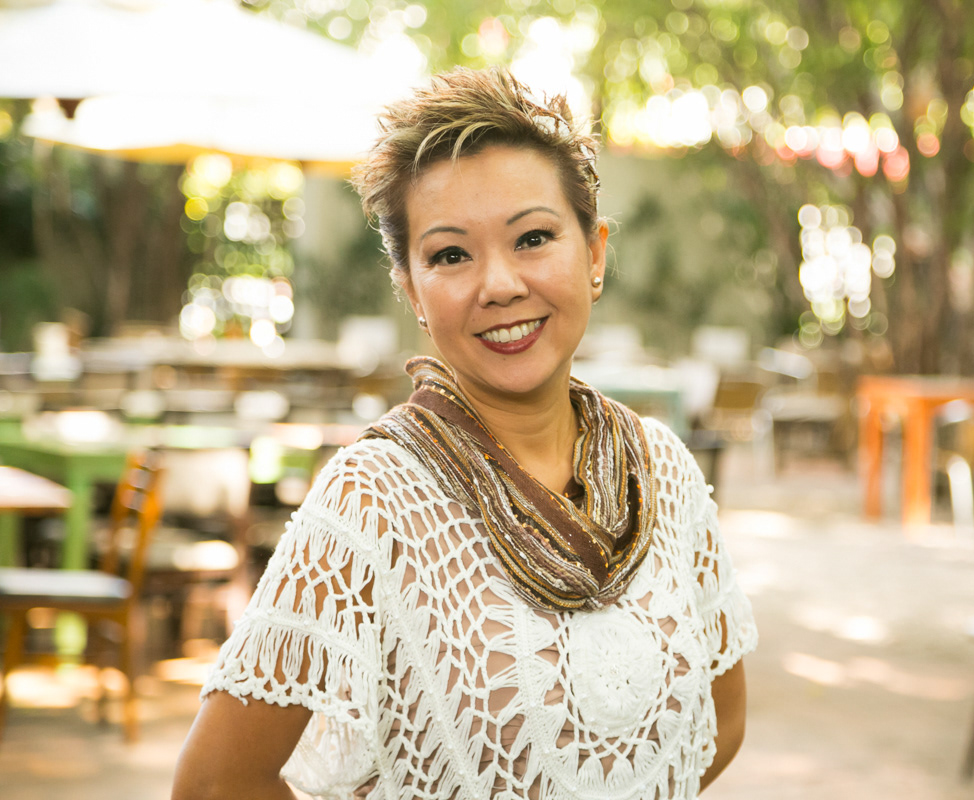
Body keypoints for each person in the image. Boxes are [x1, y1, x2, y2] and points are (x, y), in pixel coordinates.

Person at [172, 67, 757, 800]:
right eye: (451, 254)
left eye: (533, 238)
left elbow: (723, 718)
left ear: (595, 254)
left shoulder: (659, 470)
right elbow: (213, 785)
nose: (499, 284)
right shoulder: (373, 501)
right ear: (412, 290)